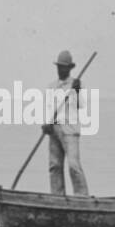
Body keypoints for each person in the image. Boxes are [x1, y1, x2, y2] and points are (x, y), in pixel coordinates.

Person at [44, 50, 89, 196]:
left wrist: (76, 91)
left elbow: (81, 105)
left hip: (70, 130)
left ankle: (82, 197)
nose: (60, 69)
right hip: (54, 129)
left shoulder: (76, 84)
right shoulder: (51, 86)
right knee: (54, 166)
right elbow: (48, 109)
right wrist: (46, 124)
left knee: (73, 166)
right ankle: (57, 196)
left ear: (69, 68)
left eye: (64, 67)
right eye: (59, 66)